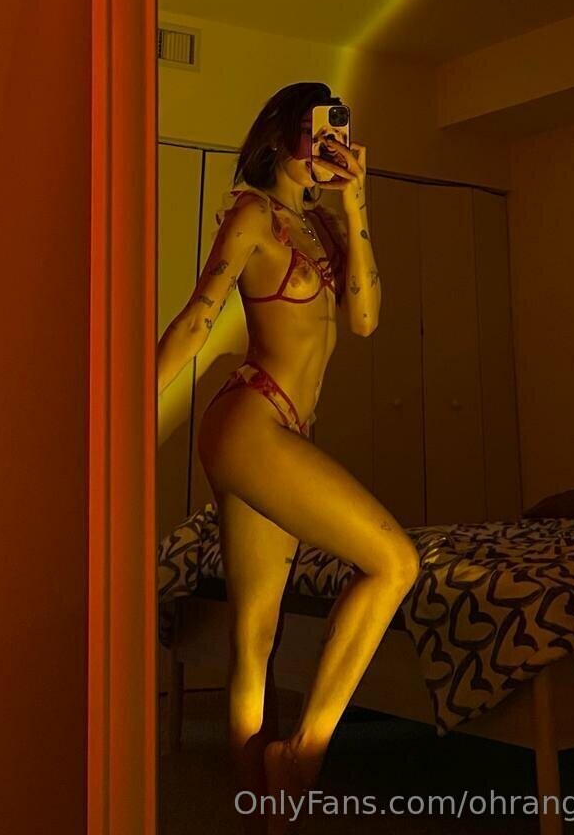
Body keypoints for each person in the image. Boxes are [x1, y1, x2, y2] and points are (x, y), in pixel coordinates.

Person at [157, 82, 419, 828]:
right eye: (318, 132)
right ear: (282, 137)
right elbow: (198, 317)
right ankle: (299, 759)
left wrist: (356, 201)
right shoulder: (252, 214)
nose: (329, 146)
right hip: (250, 417)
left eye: (339, 133)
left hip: (284, 429)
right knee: (395, 562)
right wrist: (124, 409)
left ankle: (262, 814)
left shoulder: (324, 227)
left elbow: (364, 321)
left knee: (255, 638)